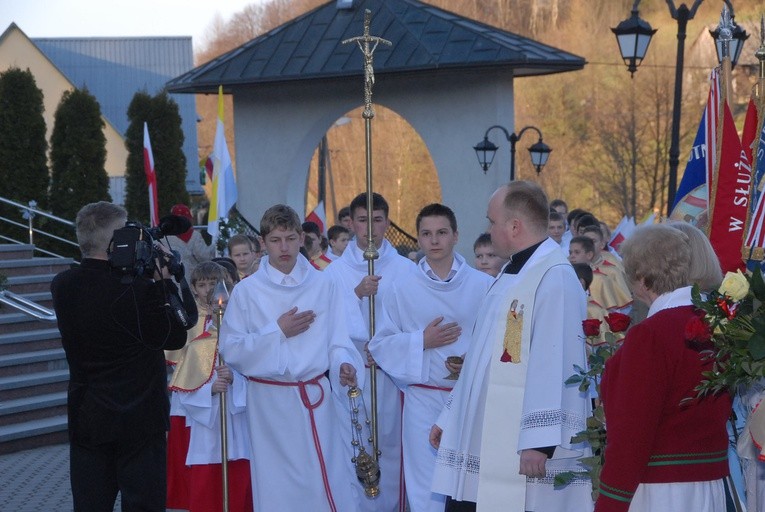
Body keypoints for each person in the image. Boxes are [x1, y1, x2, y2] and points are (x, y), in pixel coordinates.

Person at [430, 182, 592, 512]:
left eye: (492, 222)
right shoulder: (512, 272)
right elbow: (484, 356)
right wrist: (450, 415)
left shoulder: (554, 276)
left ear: (514, 226)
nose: (488, 231)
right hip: (484, 434)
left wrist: (540, 442)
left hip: (525, 446)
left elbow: (556, 359)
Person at [219, 204, 363, 512]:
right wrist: (277, 331)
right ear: (262, 243)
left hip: (314, 398)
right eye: (275, 240)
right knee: (277, 487)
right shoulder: (247, 292)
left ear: (301, 238)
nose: (283, 247)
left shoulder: (324, 284)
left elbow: (339, 339)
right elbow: (230, 349)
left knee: (323, 481)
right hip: (270, 404)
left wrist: (343, 364)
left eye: (289, 238)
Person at [50, 201, 188, 511]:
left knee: (90, 504)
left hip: (88, 417)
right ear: (118, 243)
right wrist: (164, 283)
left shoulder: (63, 285)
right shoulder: (140, 289)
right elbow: (176, 335)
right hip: (141, 421)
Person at [594, 224, 732, 512]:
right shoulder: (716, 326)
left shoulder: (651, 334)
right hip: (709, 484)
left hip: (661, 489)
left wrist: (611, 501)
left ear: (642, 279)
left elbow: (633, 430)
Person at [369, 204, 493, 512]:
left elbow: (496, 340)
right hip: (423, 399)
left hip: (470, 400)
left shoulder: (484, 286)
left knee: (470, 483)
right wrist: (420, 341)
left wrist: (473, 358)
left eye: (441, 233)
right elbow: (380, 345)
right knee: (426, 488)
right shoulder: (401, 288)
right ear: (419, 239)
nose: (434, 241)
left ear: (455, 236)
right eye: (426, 234)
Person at [324, 192, 415, 512]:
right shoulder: (334, 272)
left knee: (390, 448)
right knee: (356, 447)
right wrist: (356, 294)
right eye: (363, 220)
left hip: (391, 377)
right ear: (351, 223)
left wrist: (391, 351)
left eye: (377, 220)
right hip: (352, 372)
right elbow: (326, 321)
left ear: (387, 222)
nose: (370, 228)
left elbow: (413, 321)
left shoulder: (405, 269)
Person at [168, 261, 253, 512]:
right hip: (200, 411)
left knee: (239, 474)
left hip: (235, 413)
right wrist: (207, 387)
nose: (208, 290)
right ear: (194, 288)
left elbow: (253, 365)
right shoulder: (188, 321)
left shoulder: (239, 324)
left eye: (213, 285)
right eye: (202, 285)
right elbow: (183, 373)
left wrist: (235, 380)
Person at [164, 203, 215, 282]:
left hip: (169, 279)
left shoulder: (163, 237)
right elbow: (204, 257)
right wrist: (214, 247)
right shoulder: (194, 236)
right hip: (191, 279)